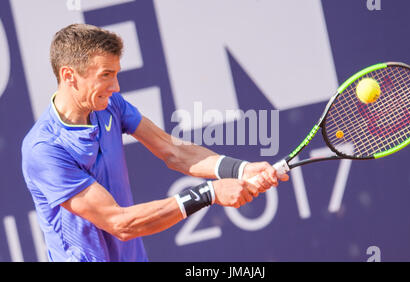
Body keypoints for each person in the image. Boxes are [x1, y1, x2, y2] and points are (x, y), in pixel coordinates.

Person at [21, 23, 288, 262]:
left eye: (116, 74)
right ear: (69, 76)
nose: (116, 86)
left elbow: (172, 150)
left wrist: (240, 170)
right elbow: (120, 223)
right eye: (105, 75)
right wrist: (210, 193)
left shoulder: (110, 104)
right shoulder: (44, 150)